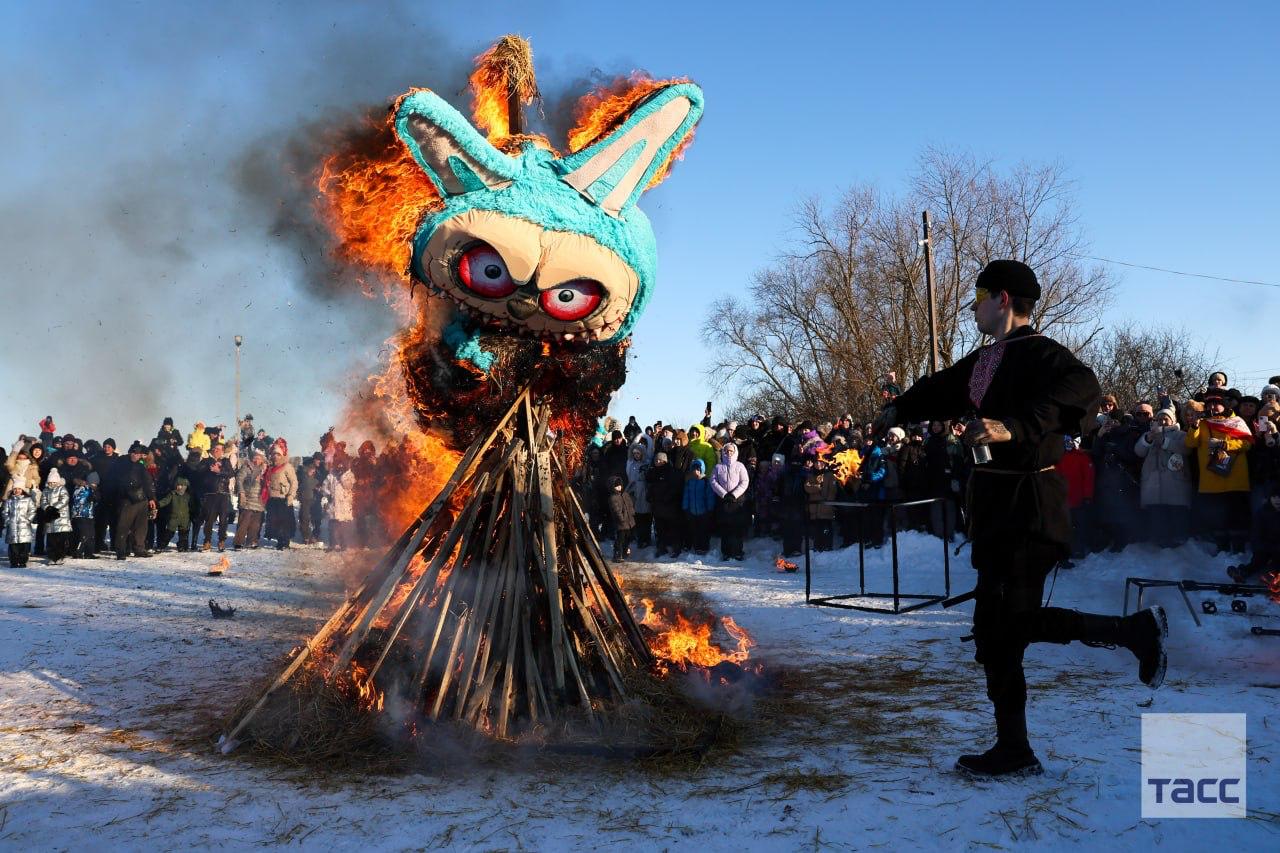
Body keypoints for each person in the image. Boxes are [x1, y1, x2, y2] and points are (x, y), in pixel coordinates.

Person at [882, 259, 1167, 778]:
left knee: (1007, 627)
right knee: (996, 635)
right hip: (993, 512)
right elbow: (941, 387)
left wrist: (1012, 427)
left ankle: (1131, 632)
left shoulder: (1043, 355)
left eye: (980, 295)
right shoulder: (985, 360)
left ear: (1004, 299)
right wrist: (898, 409)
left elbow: (1083, 389)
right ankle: (1014, 746)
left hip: (1031, 508)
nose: (973, 305)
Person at [1185, 388, 1253, 554]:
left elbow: (1248, 444)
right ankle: (1222, 547)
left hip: (1235, 478)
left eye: (1217, 404)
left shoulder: (1236, 421)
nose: (1213, 407)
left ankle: (1238, 547)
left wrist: (1227, 445)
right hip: (1211, 480)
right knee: (1217, 517)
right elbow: (1190, 444)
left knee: (1236, 516)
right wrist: (1193, 427)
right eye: (1210, 404)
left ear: (1224, 405)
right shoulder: (1202, 423)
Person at [1134, 406, 1192, 547]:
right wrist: (1148, 439)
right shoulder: (1150, 434)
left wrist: (1164, 442)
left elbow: (1186, 449)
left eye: (1166, 419)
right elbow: (1138, 451)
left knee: (1176, 511)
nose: (1163, 422)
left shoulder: (1181, 434)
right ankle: (1159, 537)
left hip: (1175, 480)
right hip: (1153, 481)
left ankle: (1179, 537)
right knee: (1157, 511)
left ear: (1172, 420)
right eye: (1159, 419)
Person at [113, 442, 157, 560]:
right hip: (127, 500)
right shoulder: (121, 464)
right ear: (130, 452)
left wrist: (151, 498)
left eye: (138, 454)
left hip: (141, 499)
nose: (136, 456)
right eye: (134, 453)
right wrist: (129, 492)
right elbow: (118, 482)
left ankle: (139, 548)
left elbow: (147, 483)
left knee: (141, 526)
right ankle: (121, 550)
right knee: (123, 526)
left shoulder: (141, 466)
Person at [710, 441, 750, 560]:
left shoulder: (740, 466)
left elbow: (745, 481)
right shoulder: (718, 467)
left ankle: (737, 551)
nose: (728, 453)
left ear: (735, 452)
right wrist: (723, 494)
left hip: (737, 502)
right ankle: (726, 552)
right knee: (725, 528)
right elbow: (713, 481)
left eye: (731, 451)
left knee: (737, 528)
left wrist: (734, 494)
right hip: (723, 501)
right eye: (726, 451)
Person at [197, 442, 235, 551]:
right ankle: (207, 541)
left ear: (223, 451)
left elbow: (231, 473)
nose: (216, 450)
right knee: (209, 520)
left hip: (223, 494)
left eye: (219, 449)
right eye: (215, 449)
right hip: (210, 494)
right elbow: (199, 471)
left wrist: (219, 471)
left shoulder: (225, 461)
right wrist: (208, 467)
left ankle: (221, 541)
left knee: (223, 519)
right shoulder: (206, 460)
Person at [645, 451, 683, 557]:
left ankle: (676, 548)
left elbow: (674, 488)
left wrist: (666, 498)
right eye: (656, 460)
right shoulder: (653, 472)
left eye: (660, 460)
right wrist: (650, 497)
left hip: (669, 505)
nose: (657, 462)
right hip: (657, 505)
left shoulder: (671, 472)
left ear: (665, 461)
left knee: (673, 528)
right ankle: (661, 547)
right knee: (659, 528)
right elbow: (650, 485)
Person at [264, 442, 298, 549]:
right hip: (273, 498)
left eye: (278, 454)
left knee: (285, 521)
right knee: (275, 521)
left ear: (282, 455)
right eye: (274, 454)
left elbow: (294, 482)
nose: (275, 456)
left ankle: (286, 541)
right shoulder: (270, 467)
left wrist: (291, 496)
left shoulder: (287, 466)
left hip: (284, 498)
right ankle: (279, 540)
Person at [234, 448, 267, 549]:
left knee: (256, 523)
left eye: (259, 458)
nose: (256, 460)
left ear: (262, 460)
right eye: (255, 458)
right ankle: (239, 542)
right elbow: (239, 480)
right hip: (247, 498)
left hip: (260, 500)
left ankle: (252, 541)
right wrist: (242, 493)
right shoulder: (246, 467)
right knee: (244, 521)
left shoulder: (265, 470)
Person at [682, 458, 715, 555]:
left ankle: (704, 546)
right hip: (692, 511)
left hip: (703, 512)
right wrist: (685, 507)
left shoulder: (705, 482)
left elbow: (710, 496)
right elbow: (686, 496)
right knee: (694, 530)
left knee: (703, 530)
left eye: (698, 469)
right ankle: (697, 546)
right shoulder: (690, 482)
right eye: (694, 469)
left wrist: (710, 509)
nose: (696, 471)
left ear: (702, 470)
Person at [40, 469, 73, 564]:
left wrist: (55, 508)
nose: (52, 484)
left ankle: (60, 556)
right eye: (50, 482)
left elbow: (65, 499)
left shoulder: (62, 489)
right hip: (50, 517)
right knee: (51, 539)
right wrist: (47, 508)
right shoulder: (46, 490)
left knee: (61, 539)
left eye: (54, 482)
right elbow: (43, 501)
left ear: (57, 482)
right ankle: (52, 556)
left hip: (61, 517)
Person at [322, 461, 356, 551]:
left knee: (343, 527)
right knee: (332, 526)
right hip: (333, 505)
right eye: (338, 464)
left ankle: (343, 545)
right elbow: (324, 486)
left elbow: (348, 486)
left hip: (344, 505)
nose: (340, 465)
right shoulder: (331, 475)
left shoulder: (349, 475)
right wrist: (328, 494)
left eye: (342, 464)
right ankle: (332, 544)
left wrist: (342, 476)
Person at [4, 480, 37, 567]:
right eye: (15, 489)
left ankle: (23, 561)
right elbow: (5, 512)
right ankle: (14, 561)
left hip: (24, 526)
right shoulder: (9, 501)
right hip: (13, 526)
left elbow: (32, 510)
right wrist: (8, 520)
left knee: (24, 546)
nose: (17, 490)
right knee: (13, 546)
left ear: (22, 490)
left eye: (19, 489)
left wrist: (28, 520)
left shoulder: (28, 500)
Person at [156, 477, 194, 551]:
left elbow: (192, 506)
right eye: (177, 485)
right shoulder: (172, 494)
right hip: (174, 518)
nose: (178, 487)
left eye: (180, 485)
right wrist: (158, 504)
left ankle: (182, 546)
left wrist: (194, 513)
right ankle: (161, 546)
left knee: (183, 534)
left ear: (184, 486)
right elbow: (165, 501)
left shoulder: (188, 496)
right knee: (169, 533)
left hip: (185, 518)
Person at [296, 453, 324, 545]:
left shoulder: (320, 469)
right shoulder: (305, 468)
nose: (319, 462)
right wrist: (315, 484)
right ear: (314, 459)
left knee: (317, 517)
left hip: (316, 497)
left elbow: (322, 481)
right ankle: (306, 536)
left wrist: (320, 486)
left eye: (320, 460)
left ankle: (315, 535)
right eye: (318, 460)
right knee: (305, 517)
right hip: (306, 496)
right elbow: (306, 483)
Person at [606, 475, 635, 561]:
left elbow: (630, 504)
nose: (619, 487)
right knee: (620, 539)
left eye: (620, 485)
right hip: (621, 522)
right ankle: (617, 554)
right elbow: (616, 510)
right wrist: (621, 518)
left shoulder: (625, 494)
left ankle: (625, 551)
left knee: (628, 538)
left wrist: (632, 512)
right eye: (616, 486)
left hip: (629, 521)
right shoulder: (613, 498)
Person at [70, 473, 99, 559]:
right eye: (93, 483)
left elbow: (95, 502)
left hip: (89, 515)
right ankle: (78, 551)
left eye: (96, 484)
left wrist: (95, 498)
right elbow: (78, 500)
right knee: (83, 535)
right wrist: (88, 497)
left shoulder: (92, 490)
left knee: (91, 535)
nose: (95, 485)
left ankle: (88, 553)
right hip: (80, 515)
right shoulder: (81, 488)